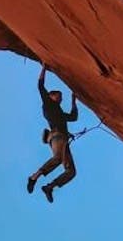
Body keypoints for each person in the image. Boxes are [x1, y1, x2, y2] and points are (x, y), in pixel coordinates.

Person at [26, 66, 83, 203]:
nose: (60, 98)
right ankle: (34, 177)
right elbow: (40, 86)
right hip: (56, 136)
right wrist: (44, 68)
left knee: (71, 172)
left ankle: (49, 187)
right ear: (51, 96)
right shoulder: (48, 104)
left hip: (63, 139)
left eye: (61, 97)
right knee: (57, 158)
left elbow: (73, 117)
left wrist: (73, 101)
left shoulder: (60, 113)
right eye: (58, 96)